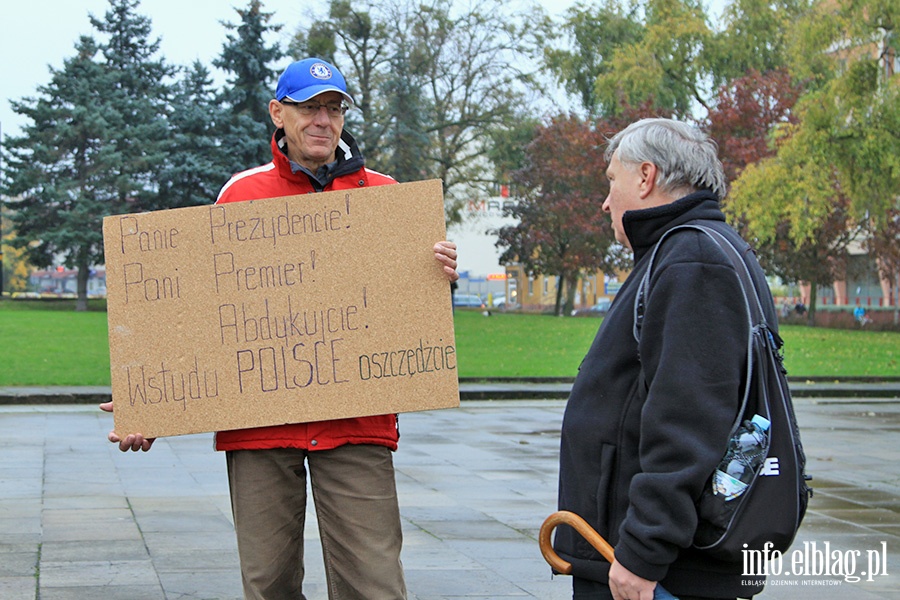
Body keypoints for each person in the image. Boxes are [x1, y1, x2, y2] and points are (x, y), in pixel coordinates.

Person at [101, 57, 459, 600]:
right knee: (267, 584)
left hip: (356, 424)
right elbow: (198, 312)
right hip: (261, 428)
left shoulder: (388, 197)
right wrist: (149, 406)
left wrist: (438, 278)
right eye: (310, 107)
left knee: (375, 583)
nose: (323, 120)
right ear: (279, 113)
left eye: (334, 108)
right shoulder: (241, 195)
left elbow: (409, 313)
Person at [555, 118, 775, 600]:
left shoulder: (692, 257)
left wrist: (643, 551)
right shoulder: (692, 249)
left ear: (646, 176)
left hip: (655, 569)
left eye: (612, 180)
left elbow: (687, 421)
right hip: (642, 554)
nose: (606, 200)